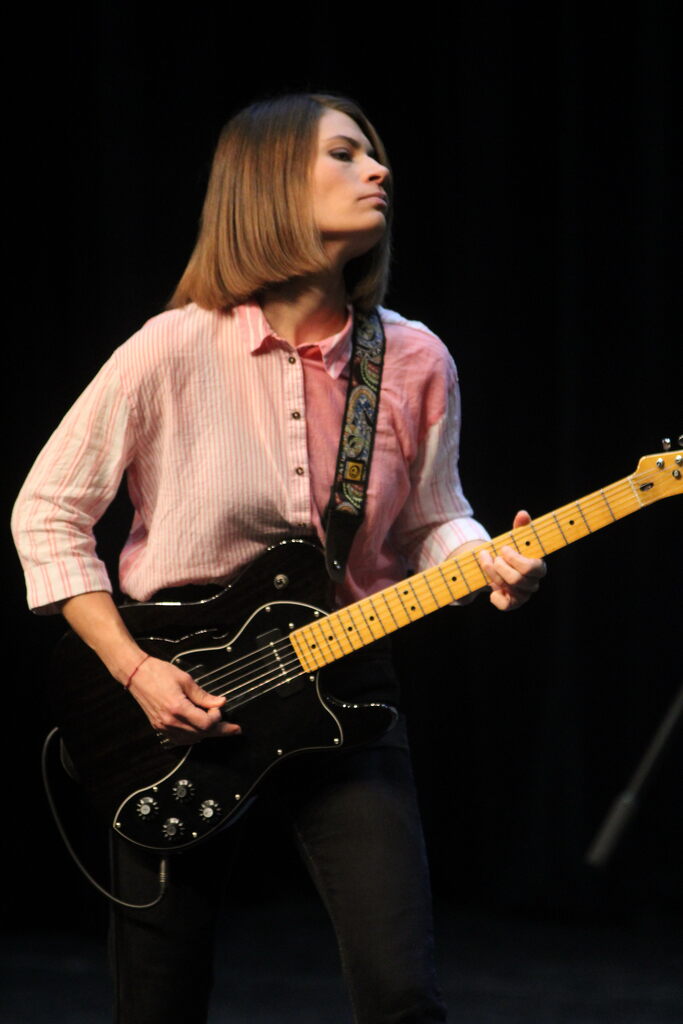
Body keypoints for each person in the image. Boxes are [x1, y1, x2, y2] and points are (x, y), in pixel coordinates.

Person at [12, 93, 546, 1023]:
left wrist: (488, 557)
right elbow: (48, 512)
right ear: (266, 184)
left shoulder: (413, 358)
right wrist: (134, 670)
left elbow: (433, 519)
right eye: (343, 154)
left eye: (373, 154)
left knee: (400, 993)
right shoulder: (174, 346)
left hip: (346, 680)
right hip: (178, 693)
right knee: (160, 999)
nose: (378, 170)